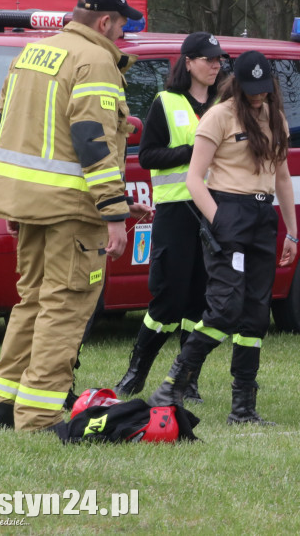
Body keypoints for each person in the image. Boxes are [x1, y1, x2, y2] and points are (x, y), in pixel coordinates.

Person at [0, 0, 148, 432]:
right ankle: (37, 414)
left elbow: (0, 134)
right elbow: (92, 141)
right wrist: (113, 214)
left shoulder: (31, 54)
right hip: (73, 213)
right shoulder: (94, 61)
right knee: (66, 306)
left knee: (31, 302)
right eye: (121, 25)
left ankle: (1, 407)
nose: (121, 35)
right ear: (105, 21)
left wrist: (20, 199)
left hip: (30, 204)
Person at [147, 51, 298, 425]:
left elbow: (282, 178)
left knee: (255, 314)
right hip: (228, 212)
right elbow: (194, 179)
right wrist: (218, 221)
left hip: (264, 217)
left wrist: (292, 231)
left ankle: (243, 408)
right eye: (253, 90)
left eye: (265, 90)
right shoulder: (219, 115)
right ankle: (172, 384)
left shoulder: (275, 118)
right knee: (224, 309)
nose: (259, 97)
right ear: (238, 84)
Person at [115, 32, 227, 401]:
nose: (215, 65)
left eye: (218, 60)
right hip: (176, 213)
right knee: (167, 300)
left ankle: (186, 379)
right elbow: (147, 156)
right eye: (208, 59)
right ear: (188, 62)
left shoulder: (224, 103)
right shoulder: (166, 102)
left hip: (213, 210)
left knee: (199, 302)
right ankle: (136, 372)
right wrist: (192, 151)